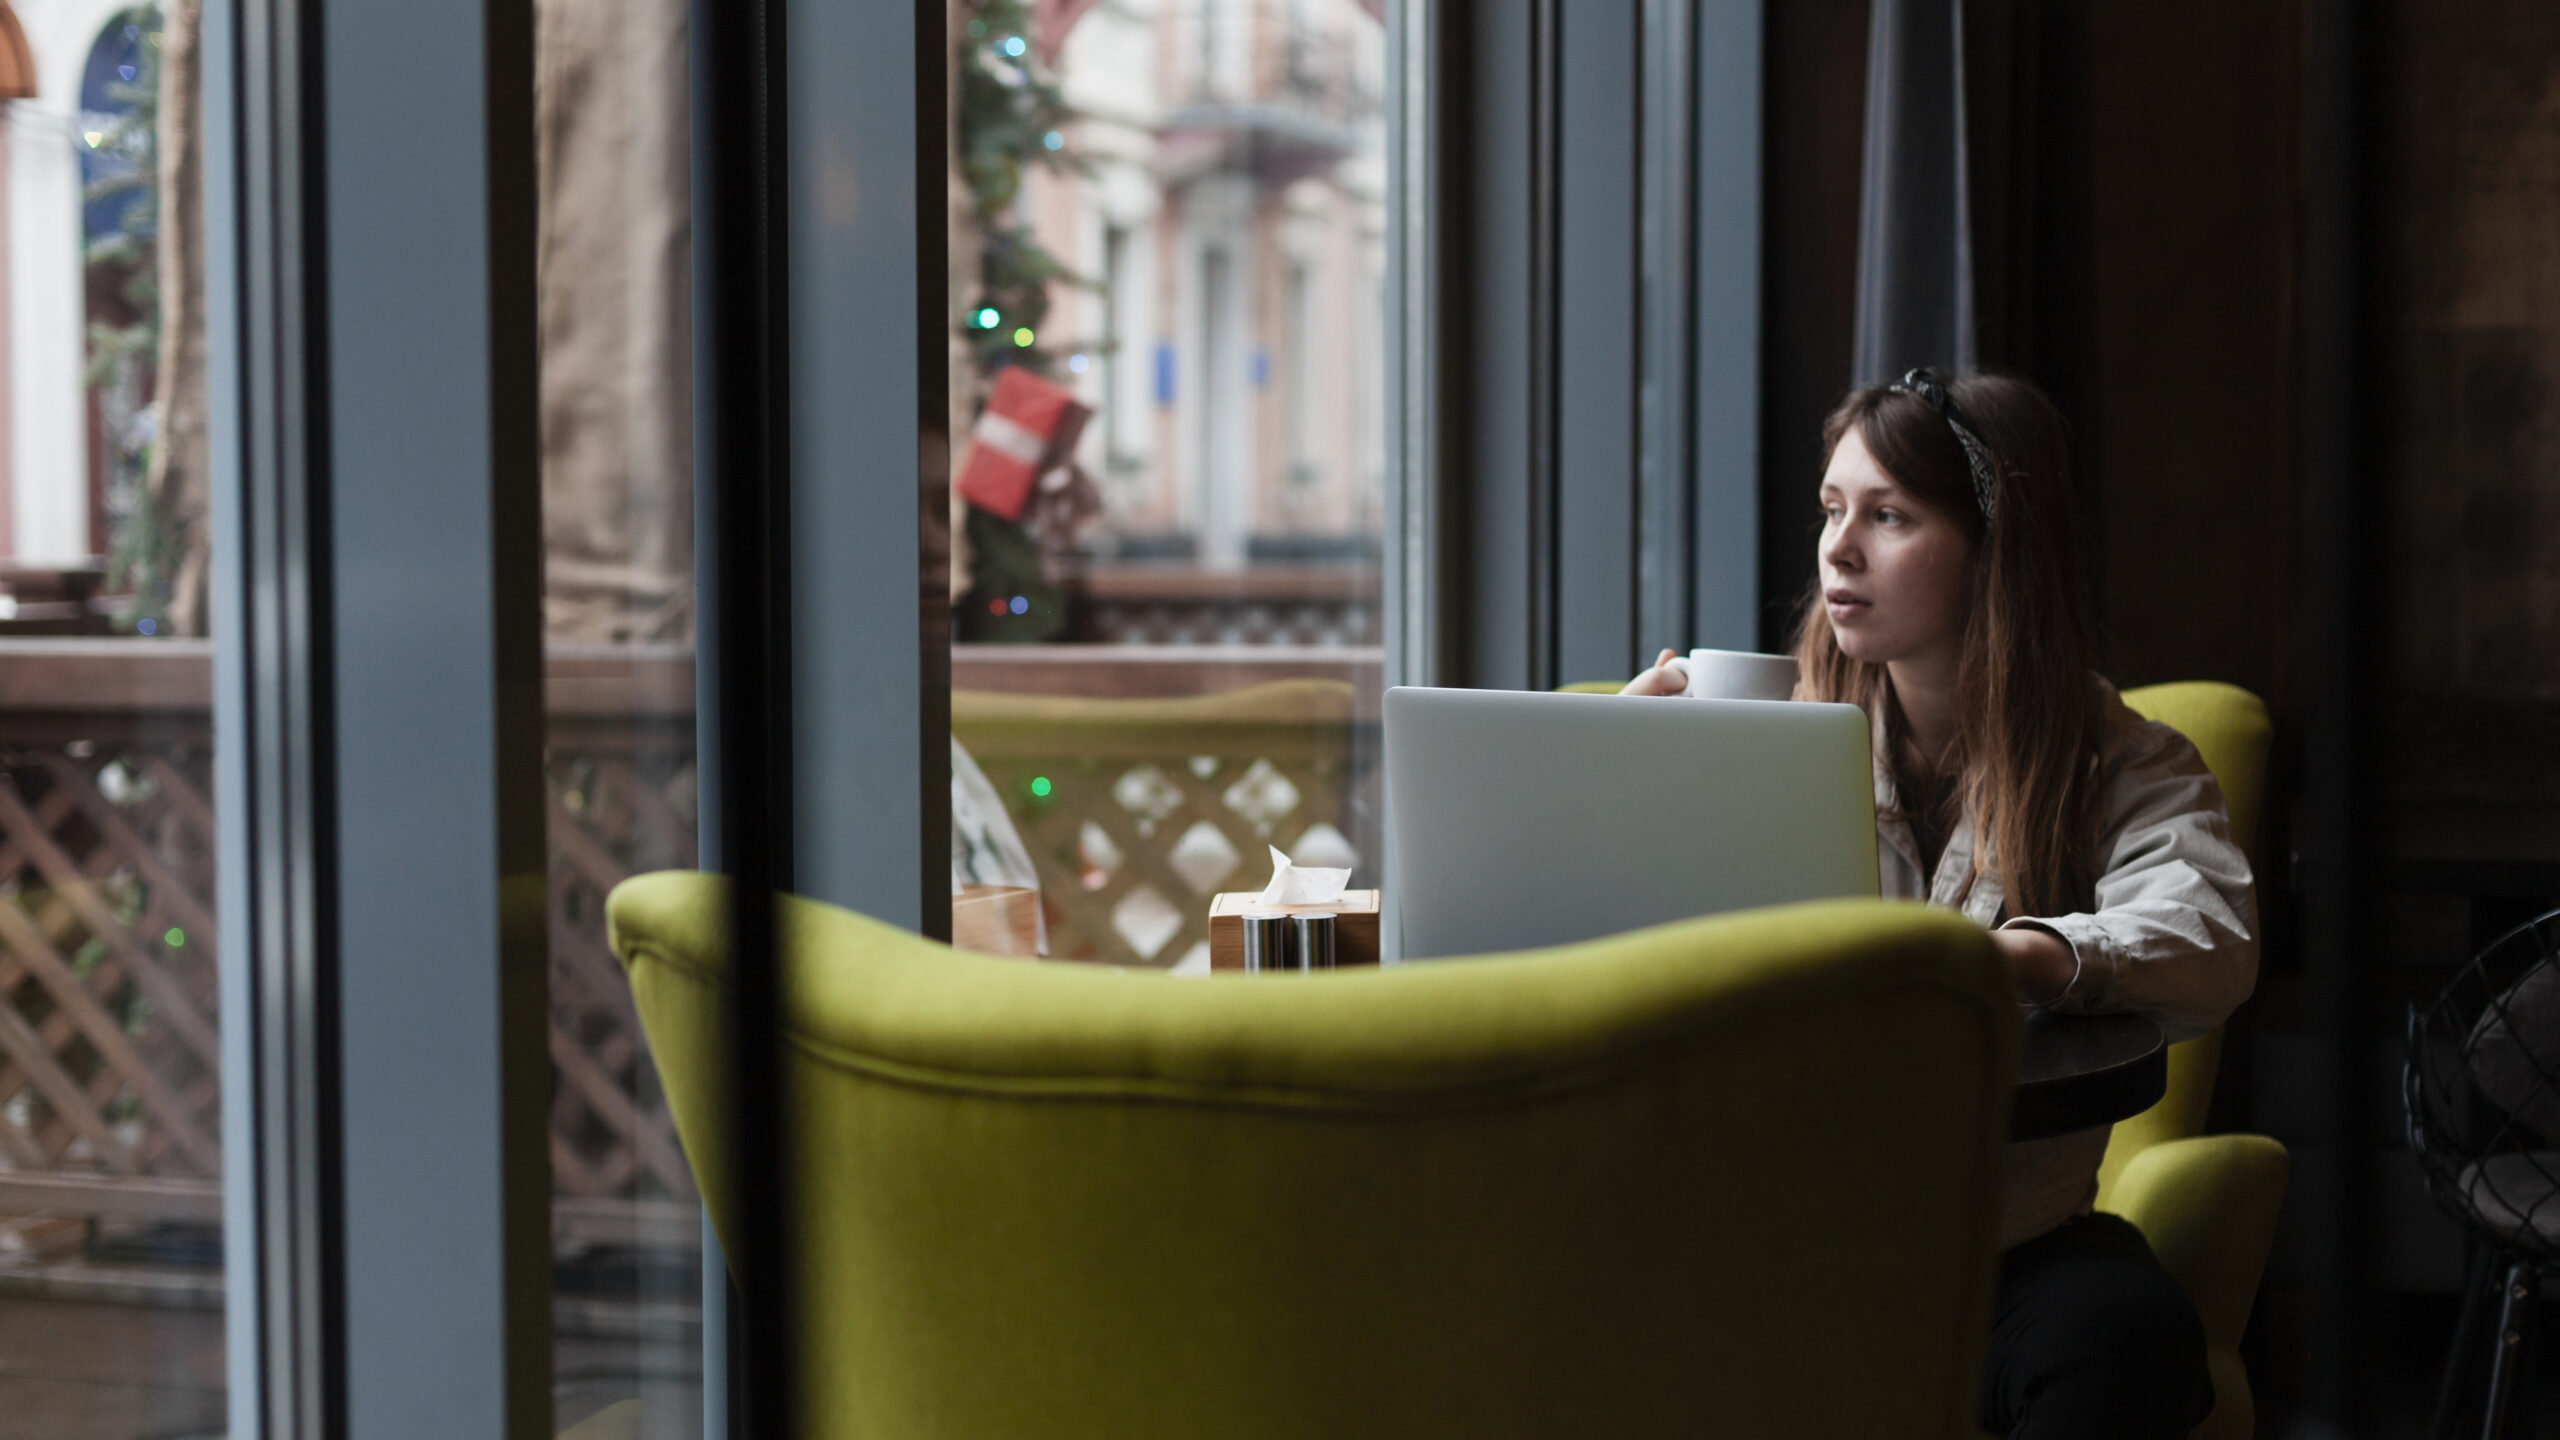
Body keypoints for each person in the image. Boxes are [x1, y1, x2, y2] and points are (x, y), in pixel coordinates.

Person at [1622, 369, 2256, 1440]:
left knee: (2119, 1336)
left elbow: (2207, 937)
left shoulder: (2118, 760)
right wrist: (1614, 786)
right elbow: (1583, 946)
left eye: (1889, 516)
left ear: (1991, 550)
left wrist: (2013, 958)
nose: (1839, 549)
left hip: (2008, 1245)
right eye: (1832, 511)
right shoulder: (1748, 739)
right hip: (1766, 1241)